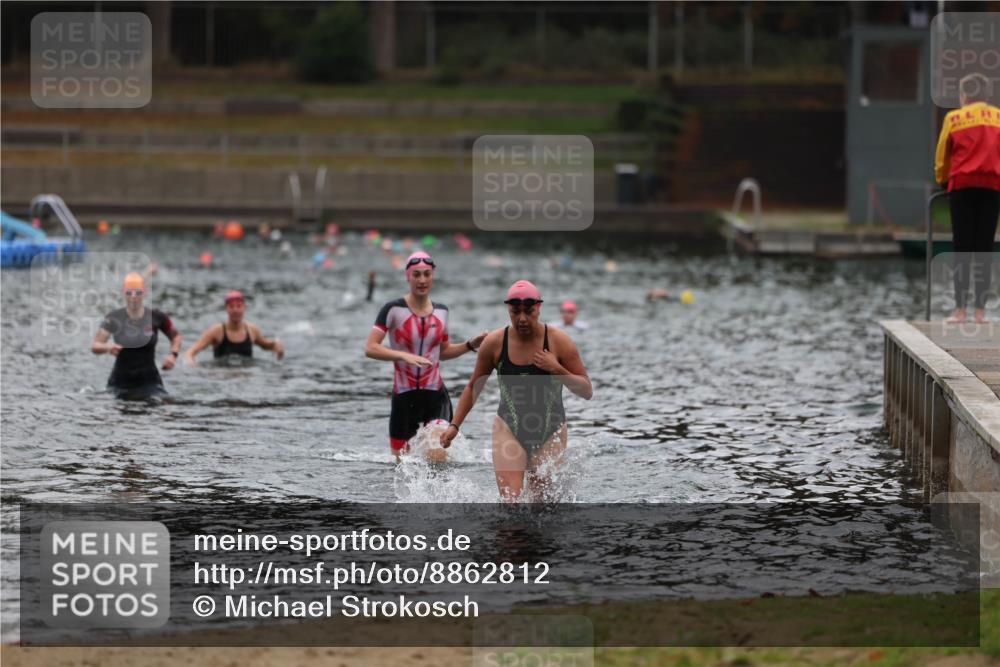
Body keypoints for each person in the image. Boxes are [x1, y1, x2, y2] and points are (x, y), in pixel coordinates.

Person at [441, 280, 592, 501]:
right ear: (508, 310)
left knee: (541, 508)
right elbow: (474, 386)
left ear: (538, 308)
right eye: (515, 312)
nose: (522, 319)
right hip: (508, 428)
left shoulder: (559, 341)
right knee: (510, 505)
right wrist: (454, 426)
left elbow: (586, 390)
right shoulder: (494, 343)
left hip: (551, 430)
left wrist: (556, 368)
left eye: (528, 312)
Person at [364, 251, 487, 462]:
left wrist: (470, 345)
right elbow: (370, 348)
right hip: (404, 398)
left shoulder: (442, 312)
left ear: (433, 276)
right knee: (402, 466)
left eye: (427, 274)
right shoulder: (392, 309)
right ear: (408, 276)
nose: (422, 280)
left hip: (435, 396)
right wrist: (403, 356)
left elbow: (443, 352)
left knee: (437, 455)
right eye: (417, 274)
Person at [935, 72, 1000, 324]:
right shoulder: (997, 117)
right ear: (986, 95)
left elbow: (942, 157)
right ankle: (980, 313)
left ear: (964, 95)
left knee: (962, 248)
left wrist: (943, 180)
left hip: (962, 187)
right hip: (992, 187)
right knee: (984, 248)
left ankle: (960, 311)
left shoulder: (954, 118)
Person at [91, 272, 181, 399]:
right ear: (123, 293)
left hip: (150, 383)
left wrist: (173, 355)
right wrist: (108, 347)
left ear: (145, 292)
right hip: (120, 384)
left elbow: (176, 337)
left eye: (138, 292)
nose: (133, 297)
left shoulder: (157, 317)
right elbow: (95, 345)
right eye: (129, 292)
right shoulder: (114, 318)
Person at [183, 290, 284, 365]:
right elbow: (191, 352)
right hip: (221, 377)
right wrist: (192, 364)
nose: (235, 310)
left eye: (239, 306)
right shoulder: (216, 331)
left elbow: (267, 345)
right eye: (231, 307)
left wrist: (277, 347)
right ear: (226, 308)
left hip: (247, 377)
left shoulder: (252, 330)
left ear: (244, 308)